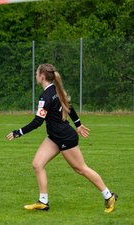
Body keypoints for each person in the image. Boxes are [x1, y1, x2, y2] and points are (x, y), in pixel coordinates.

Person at [6, 63, 117, 213]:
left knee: (81, 169)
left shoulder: (45, 96)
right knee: (37, 164)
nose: (36, 76)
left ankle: (109, 195)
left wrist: (18, 132)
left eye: (36, 74)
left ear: (42, 76)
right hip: (54, 137)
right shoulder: (56, 90)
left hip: (65, 137)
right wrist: (78, 124)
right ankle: (43, 202)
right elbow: (69, 107)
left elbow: (38, 121)